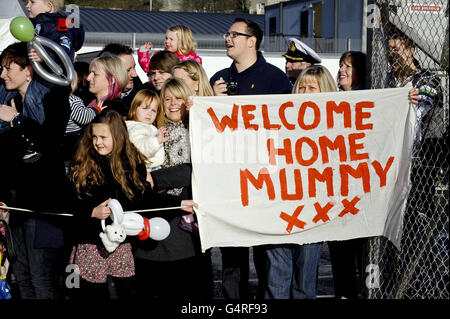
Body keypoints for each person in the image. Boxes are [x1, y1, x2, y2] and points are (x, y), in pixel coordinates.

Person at [67, 110, 194, 299]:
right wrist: (91, 211)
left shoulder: (132, 163)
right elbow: (69, 201)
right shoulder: (84, 162)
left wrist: (177, 203)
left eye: (103, 137)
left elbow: (145, 198)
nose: (97, 142)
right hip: (90, 243)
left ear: (118, 137)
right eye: (94, 137)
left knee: (129, 292)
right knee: (90, 294)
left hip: (123, 243)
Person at [210, 18, 292, 299]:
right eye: (227, 34)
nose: (227, 39)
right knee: (232, 254)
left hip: (266, 180)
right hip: (230, 180)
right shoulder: (218, 79)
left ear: (252, 41)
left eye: (235, 34)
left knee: (267, 254)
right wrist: (211, 99)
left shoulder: (276, 79)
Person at [0, 42, 71, 299]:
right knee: (23, 277)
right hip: (17, 206)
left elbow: (52, 141)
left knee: (42, 278)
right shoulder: (10, 100)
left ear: (28, 70)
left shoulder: (53, 96)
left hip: (45, 207)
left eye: (9, 68)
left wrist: (18, 120)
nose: (2, 74)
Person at [133, 78, 213, 299]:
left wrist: (155, 178)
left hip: (188, 222)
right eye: (167, 99)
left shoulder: (200, 129)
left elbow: (198, 169)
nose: (173, 103)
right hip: (153, 219)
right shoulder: (149, 130)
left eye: (178, 97)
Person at [264, 65, 337, 299]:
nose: (304, 92)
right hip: (280, 205)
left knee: (305, 277)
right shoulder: (278, 116)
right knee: (276, 274)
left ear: (325, 91)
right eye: (301, 87)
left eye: (311, 88)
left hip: (314, 210)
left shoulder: (339, 123)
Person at [327, 51, 367, 299]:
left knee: (362, 257)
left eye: (348, 66)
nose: (342, 70)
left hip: (362, 193)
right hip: (334, 193)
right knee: (339, 256)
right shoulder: (329, 100)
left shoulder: (372, 99)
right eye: (341, 65)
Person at [125, 89, 167, 172]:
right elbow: (139, 146)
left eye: (153, 110)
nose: (149, 113)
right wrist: (156, 141)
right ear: (134, 109)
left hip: (153, 169)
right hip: (144, 170)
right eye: (145, 108)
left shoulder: (146, 126)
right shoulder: (135, 128)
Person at [138, 24, 202, 75]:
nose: (167, 41)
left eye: (171, 39)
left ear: (183, 41)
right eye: (166, 38)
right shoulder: (161, 56)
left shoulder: (191, 60)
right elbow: (147, 68)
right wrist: (143, 51)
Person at [98, 43, 144, 114]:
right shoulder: (88, 100)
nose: (134, 74)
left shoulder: (145, 99)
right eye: (127, 70)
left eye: (134, 67)